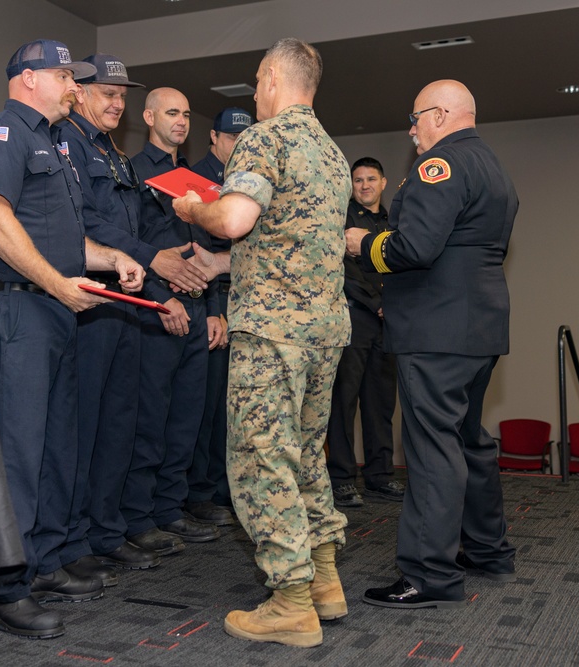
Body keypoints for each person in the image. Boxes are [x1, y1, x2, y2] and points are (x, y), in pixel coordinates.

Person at [0, 39, 146, 639]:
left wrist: (112, 258)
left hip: (56, 310)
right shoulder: (3, 135)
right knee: (18, 452)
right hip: (20, 311)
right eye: (65, 76)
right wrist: (56, 284)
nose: (74, 87)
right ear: (28, 79)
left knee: (54, 450)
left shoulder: (54, 144)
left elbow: (66, 241)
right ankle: (3, 590)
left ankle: (40, 563)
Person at [172, 38, 351, 648]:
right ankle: (325, 582)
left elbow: (237, 220)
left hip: (272, 334)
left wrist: (196, 208)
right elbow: (292, 241)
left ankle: (291, 601)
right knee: (304, 454)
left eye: (256, 81)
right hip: (324, 331)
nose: (254, 93)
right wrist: (225, 269)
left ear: (274, 77)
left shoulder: (264, 138)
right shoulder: (331, 153)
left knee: (259, 457)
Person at [345, 80, 518, 610]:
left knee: (431, 448)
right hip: (479, 327)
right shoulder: (492, 165)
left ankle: (429, 575)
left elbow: (414, 248)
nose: (412, 128)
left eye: (417, 117)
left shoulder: (436, 166)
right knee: (467, 439)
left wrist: (362, 244)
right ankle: (488, 550)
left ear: (441, 115)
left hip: (436, 330)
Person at [55, 54, 179, 583]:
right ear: (78, 92)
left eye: (122, 95)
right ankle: (74, 537)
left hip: (125, 300)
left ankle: (106, 530)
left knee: (119, 423)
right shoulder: (67, 146)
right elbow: (90, 221)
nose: (117, 102)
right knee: (83, 426)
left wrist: (158, 279)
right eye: (107, 92)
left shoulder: (113, 152)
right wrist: (151, 260)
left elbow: (135, 226)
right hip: (89, 302)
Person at [122, 88, 226, 551]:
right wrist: (162, 297)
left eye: (186, 114)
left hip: (200, 308)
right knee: (152, 418)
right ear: (148, 117)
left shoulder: (193, 180)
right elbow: (131, 246)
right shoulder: (133, 172)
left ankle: (171, 508)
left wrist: (216, 311)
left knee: (188, 418)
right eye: (171, 112)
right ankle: (141, 517)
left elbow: (209, 252)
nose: (181, 121)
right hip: (159, 313)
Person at [185, 107, 253, 524]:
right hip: (213, 296)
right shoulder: (194, 180)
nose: (237, 145)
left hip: (243, 297)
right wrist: (214, 308)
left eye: (244, 139)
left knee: (235, 404)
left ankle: (227, 489)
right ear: (214, 138)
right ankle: (202, 492)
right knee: (206, 405)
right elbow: (198, 251)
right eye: (230, 137)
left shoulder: (249, 181)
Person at [326, 157, 402, 508]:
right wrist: (377, 303)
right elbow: (344, 272)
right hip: (355, 318)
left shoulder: (394, 222)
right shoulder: (342, 220)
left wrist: (393, 304)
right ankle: (341, 478)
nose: (365, 185)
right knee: (344, 401)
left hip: (389, 322)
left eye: (372, 179)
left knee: (381, 401)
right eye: (358, 180)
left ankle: (380, 476)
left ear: (384, 183)